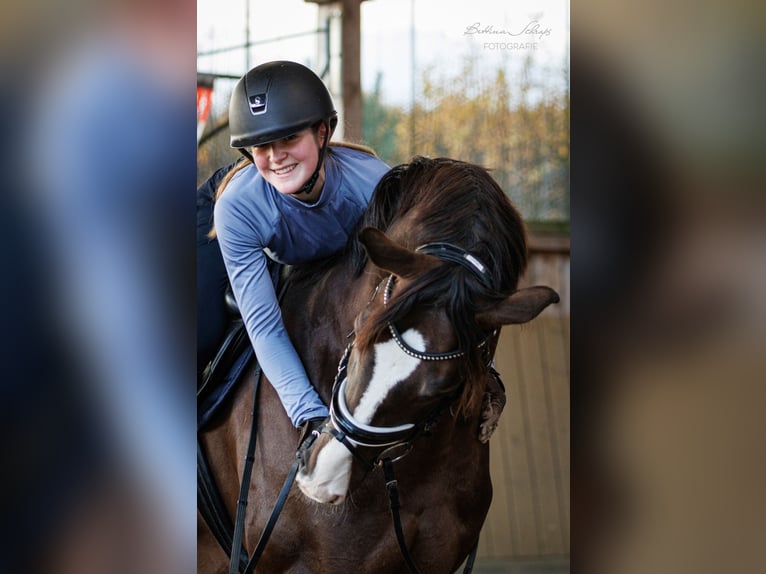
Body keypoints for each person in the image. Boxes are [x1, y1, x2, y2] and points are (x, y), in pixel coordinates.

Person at [210, 61, 391, 443]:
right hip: (226, 226)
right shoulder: (237, 206)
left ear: (322, 132)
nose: (276, 156)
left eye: (289, 138)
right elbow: (264, 325)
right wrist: (308, 415)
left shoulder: (375, 184)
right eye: (261, 145)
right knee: (197, 332)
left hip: (321, 251)